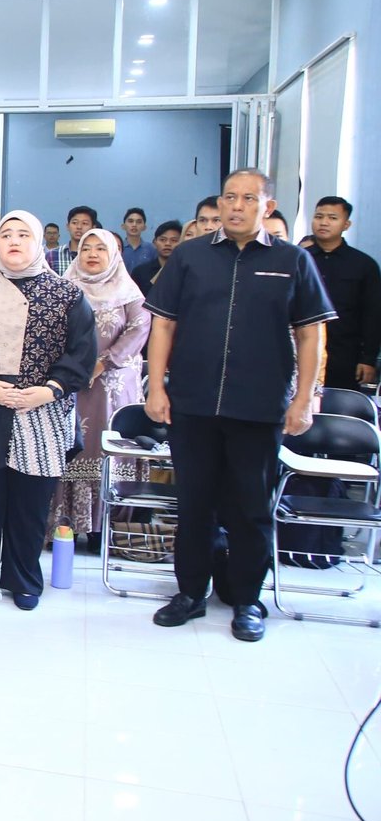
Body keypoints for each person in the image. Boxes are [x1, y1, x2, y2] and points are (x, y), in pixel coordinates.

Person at [146, 170, 334, 642]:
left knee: (250, 508)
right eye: (230, 197)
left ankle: (248, 599)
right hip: (193, 401)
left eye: (248, 198)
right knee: (194, 504)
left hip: (259, 405)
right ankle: (190, 592)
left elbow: (310, 332)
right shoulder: (190, 255)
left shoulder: (292, 260)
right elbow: (163, 324)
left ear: (267, 207)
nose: (236, 206)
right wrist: (156, 388)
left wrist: (304, 397)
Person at [0, 211, 96, 609]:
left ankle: (23, 579)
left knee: (30, 504)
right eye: (6, 234)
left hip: (41, 412)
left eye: (23, 234)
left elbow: (82, 351)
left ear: (38, 242)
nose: (14, 240)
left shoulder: (67, 294)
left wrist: (48, 391)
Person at [47, 229, 151, 543]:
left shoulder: (129, 293)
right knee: (71, 449)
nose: (92, 254)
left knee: (106, 450)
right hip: (72, 386)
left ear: (113, 255)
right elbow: (50, 331)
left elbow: (139, 329)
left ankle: (105, 530)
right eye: (86, 248)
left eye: (100, 249)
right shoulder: (65, 289)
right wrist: (74, 368)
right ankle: (66, 523)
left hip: (113, 389)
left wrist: (102, 363)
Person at [305, 196, 381, 389]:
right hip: (303, 350)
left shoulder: (363, 265)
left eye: (332, 218)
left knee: (341, 402)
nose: (324, 222)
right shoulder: (299, 259)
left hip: (346, 354)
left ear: (346, 225)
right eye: (319, 216)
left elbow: (372, 315)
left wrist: (368, 358)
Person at [130, 220, 182, 295]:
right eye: (162, 240)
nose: (167, 243)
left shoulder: (185, 272)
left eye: (174, 240)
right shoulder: (140, 272)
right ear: (154, 243)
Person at [46, 206, 96, 276]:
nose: (79, 227)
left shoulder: (96, 256)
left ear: (93, 228)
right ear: (68, 226)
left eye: (84, 223)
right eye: (74, 223)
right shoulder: (52, 255)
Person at [120, 207, 158, 272]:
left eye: (139, 222)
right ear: (123, 226)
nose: (134, 225)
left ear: (144, 227)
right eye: (130, 221)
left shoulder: (151, 249)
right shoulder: (118, 248)